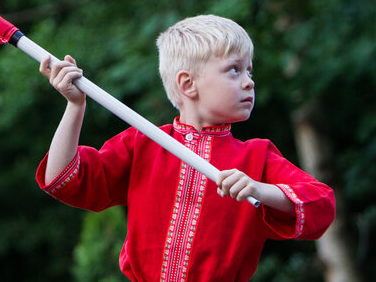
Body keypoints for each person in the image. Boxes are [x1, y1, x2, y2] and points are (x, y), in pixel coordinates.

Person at [36, 15, 335, 281]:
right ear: (188, 84)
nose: (249, 83)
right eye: (234, 70)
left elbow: (322, 205)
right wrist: (75, 106)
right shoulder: (143, 142)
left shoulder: (257, 156)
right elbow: (63, 179)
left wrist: (258, 189)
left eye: (250, 72)